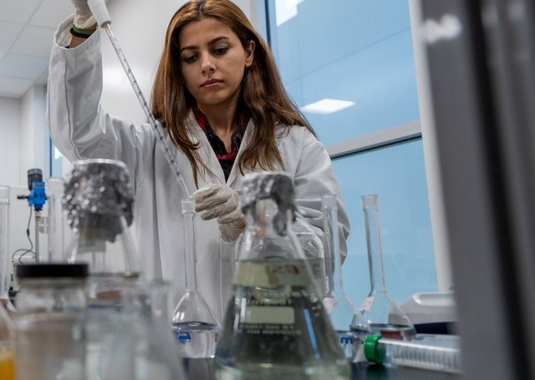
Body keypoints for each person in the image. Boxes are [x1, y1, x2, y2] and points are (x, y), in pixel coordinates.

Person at [48, 0, 350, 317]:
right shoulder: (149, 145)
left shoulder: (297, 145)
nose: (206, 65)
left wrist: (256, 220)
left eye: (219, 50)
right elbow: (78, 134)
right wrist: (84, 25)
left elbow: (326, 255)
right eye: (190, 57)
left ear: (248, 53)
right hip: (179, 346)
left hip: (270, 343)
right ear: (180, 69)